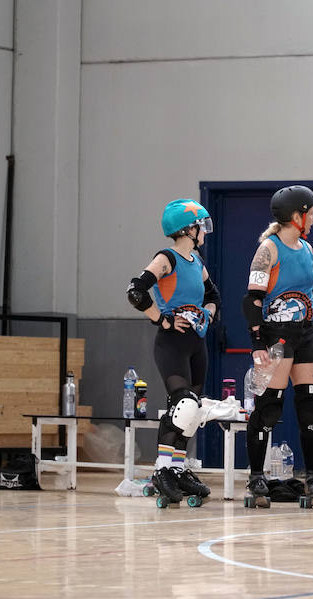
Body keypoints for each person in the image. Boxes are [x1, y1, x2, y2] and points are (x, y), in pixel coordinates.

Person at [240, 185, 313, 507]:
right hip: (276, 336)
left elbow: (310, 296)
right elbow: (252, 300)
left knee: (312, 404)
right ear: (297, 216)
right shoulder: (268, 250)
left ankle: (312, 476)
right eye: (310, 212)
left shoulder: (307, 249)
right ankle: (257, 476)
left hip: (307, 333)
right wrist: (257, 342)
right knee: (269, 406)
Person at [125, 198, 220, 503]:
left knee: (194, 411)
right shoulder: (167, 258)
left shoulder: (197, 262)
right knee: (183, 404)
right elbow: (136, 291)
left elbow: (213, 294)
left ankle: (177, 468)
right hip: (172, 344)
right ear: (187, 229)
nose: (204, 231)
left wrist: (208, 313)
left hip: (196, 343)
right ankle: (162, 468)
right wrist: (162, 319)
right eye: (200, 225)